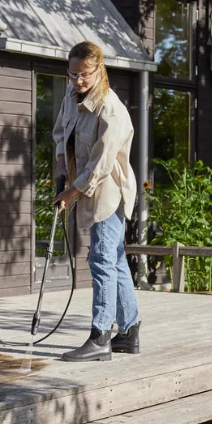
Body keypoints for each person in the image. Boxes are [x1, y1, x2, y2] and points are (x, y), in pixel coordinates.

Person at [52, 40, 141, 362]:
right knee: (114, 260)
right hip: (82, 185)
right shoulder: (71, 95)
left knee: (102, 260)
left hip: (109, 192)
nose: (77, 80)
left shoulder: (110, 108)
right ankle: (129, 333)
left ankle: (100, 336)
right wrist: (61, 163)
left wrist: (71, 191)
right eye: (73, 73)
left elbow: (101, 165)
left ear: (98, 69)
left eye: (84, 75)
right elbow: (61, 131)